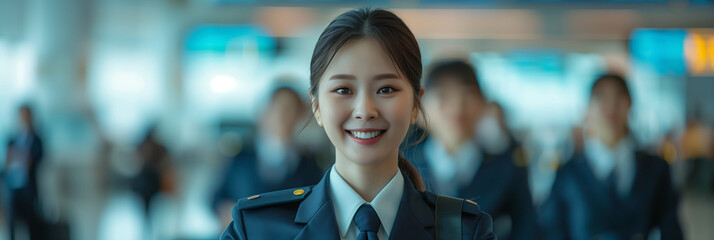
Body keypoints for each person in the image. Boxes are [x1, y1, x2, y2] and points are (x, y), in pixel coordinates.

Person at [221, 8, 495, 240]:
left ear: (415, 105)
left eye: (386, 89)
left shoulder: (464, 230)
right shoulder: (256, 229)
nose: (364, 111)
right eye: (343, 90)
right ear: (316, 106)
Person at [539, 74, 683, 240]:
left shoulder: (655, 169)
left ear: (630, 105)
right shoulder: (567, 174)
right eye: (601, 97)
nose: (611, 105)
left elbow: (671, 229)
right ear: (587, 111)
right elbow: (550, 231)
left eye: (619, 96)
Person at [404, 60, 536, 239]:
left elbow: (527, 230)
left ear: (484, 105)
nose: (456, 106)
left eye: (467, 94)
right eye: (443, 95)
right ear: (418, 108)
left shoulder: (508, 169)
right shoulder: (401, 166)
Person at [212, 86, 324, 218]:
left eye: (291, 110)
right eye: (279, 109)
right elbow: (216, 199)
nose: (283, 117)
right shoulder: (240, 158)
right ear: (265, 113)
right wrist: (226, 212)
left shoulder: (309, 164)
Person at [4, 104, 45, 240]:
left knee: (32, 223)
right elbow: (7, 163)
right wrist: (22, 157)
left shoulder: (37, 139)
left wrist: (19, 156)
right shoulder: (12, 139)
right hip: (13, 189)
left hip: (29, 189)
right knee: (11, 224)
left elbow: (34, 161)